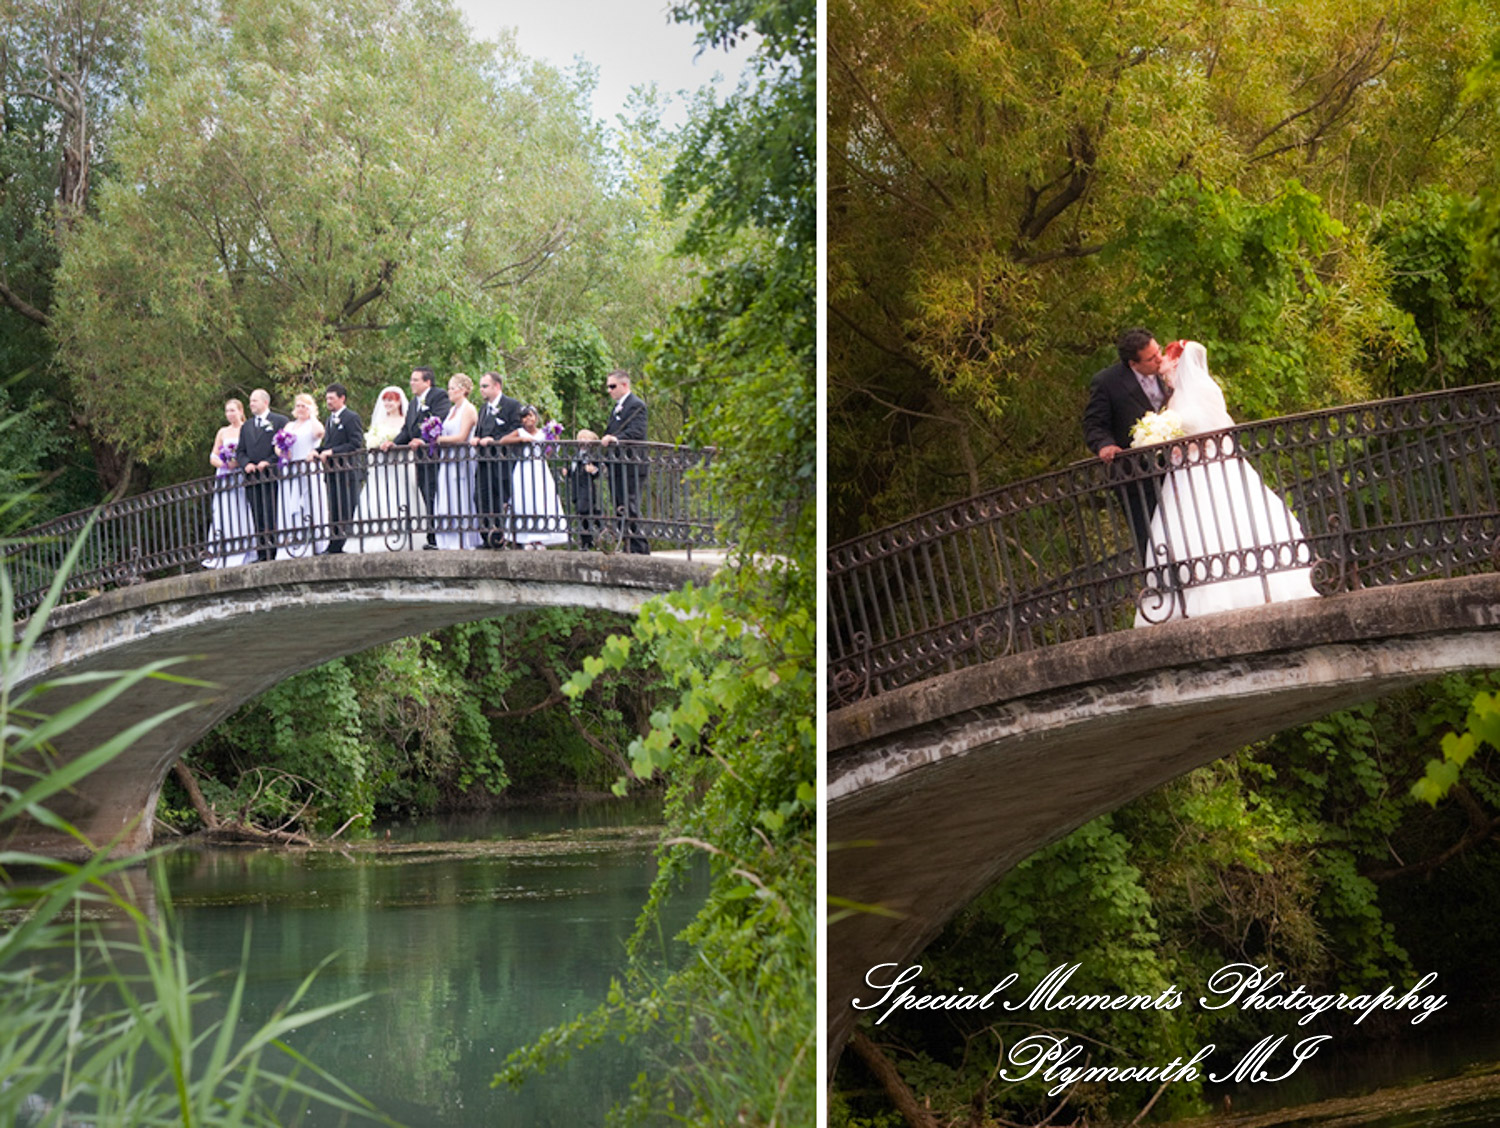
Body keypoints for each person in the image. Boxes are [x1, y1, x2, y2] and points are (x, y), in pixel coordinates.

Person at [1133, 340, 1318, 626]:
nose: (1165, 371)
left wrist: (1191, 447)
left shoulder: (1207, 390)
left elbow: (1221, 430)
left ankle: (1246, 587)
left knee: (1227, 520)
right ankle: (1188, 597)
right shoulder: (1174, 398)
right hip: (1183, 473)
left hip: (1212, 464)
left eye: (1168, 364)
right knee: (1189, 531)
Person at [1083, 328, 1171, 558]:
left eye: (1158, 350)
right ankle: (1159, 584)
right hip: (1135, 475)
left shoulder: (1169, 371)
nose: (1159, 359)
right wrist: (1104, 445)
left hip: (1173, 468)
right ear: (1133, 363)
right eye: (1151, 358)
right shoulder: (1107, 382)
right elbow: (1094, 424)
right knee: (1149, 535)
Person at [349, 384, 423, 552]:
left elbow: (405, 437)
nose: (388, 404)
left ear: (399, 402)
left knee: (401, 494)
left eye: (391, 400)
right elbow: (371, 439)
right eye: (385, 401)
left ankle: (403, 533)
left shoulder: (405, 421)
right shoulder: (380, 422)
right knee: (378, 495)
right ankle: (375, 534)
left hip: (399, 464)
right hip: (381, 466)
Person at [383, 366, 450, 548]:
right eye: (411, 380)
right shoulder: (413, 403)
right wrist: (394, 443)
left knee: (435, 493)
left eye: (415, 380)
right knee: (426, 493)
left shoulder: (439, 396)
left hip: (434, 454)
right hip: (420, 458)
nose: (411, 383)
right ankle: (431, 536)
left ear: (427, 382)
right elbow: (407, 429)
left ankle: (437, 537)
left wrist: (422, 439)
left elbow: (439, 419)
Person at [469, 371, 523, 548]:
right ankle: (487, 537)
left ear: (497, 386)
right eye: (481, 386)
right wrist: (476, 439)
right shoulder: (484, 409)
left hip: (502, 461)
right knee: (480, 497)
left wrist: (495, 440)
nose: (481, 390)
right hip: (484, 461)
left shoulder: (512, 405)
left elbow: (517, 430)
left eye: (485, 386)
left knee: (501, 498)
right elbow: (480, 430)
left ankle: (500, 537)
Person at [203, 398, 257, 568]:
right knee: (222, 510)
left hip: (239, 475)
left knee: (239, 508)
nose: (230, 414)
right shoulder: (222, 432)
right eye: (227, 411)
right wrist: (224, 464)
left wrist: (238, 462)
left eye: (233, 410)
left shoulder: (247, 428)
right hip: (224, 474)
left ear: (241, 411)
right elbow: (213, 456)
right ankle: (220, 552)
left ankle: (242, 551)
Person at [600, 369, 649, 554]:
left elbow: (637, 432)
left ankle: (640, 547)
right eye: (608, 386)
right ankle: (628, 543)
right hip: (618, 464)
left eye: (612, 386)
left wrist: (615, 439)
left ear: (624, 385)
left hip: (632, 465)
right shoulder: (617, 407)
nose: (609, 390)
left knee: (630, 505)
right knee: (620, 505)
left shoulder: (637, 405)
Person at [504, 406, 568, 548]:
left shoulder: (543, 433)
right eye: (525, 417)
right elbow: (504, 440)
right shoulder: (519, 432)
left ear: (536, 418)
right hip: (523, 467)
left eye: (531, 416)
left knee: (540, 500)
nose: (528, 419)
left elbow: (549, 452)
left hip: (539, 467)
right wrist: (520, 439)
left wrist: (554, 435)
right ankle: (526, 537)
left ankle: (540, 537)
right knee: (524, 500)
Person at [238, 388, 290, 561]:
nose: (251, 404)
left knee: (272, 511)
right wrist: (246, 464)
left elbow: (285, 447)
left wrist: (269, 461)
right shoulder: (246, 426)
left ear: (265, 402)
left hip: (271, 475)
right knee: (257, 513)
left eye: (254, 401)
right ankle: (262, 552)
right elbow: (241, 451)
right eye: (251, 401)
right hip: (252, 477)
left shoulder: (280, 421)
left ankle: (274, 550)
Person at [276, 393, 328, 559]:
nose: (300, 409)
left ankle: (314, 541)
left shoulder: (313, 424)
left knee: (309, 503)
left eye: (304, 406)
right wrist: (283, 453)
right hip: (290, 468)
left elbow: (319, 433)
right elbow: (277, 446)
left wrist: (311, 415)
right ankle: (292, 540)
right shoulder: (289, 425)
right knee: (289, 505)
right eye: (298, 406)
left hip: (308, 467)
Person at [433, 373, 481, 550]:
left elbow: (462, 436)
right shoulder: (452, 410)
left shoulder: (468, 409)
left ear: (462, 390)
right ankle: (446, 539)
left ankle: (463, 538)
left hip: (461, 457)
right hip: (448, 458)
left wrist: (438, 441)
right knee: (447, 494)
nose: (449, 392)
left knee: (460, 494)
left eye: (452, 388)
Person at [316, 382, 365, 554]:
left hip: (348, 471)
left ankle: (345, 542)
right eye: (327, 398)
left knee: (347, 507)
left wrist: (332, 451)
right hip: (333, 473)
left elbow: (355, 443)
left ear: (342, 398)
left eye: (332, 398)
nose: (328, 401)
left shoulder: (351, 417)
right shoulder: (329, 419)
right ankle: (334, 543)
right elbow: (329, 444)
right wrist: (317, 451)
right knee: (335, 508)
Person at [563, 428, 603, 550]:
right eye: (580, 438)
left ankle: (601, 523)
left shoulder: (593, 454)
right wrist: (568, 472)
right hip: (576, 489)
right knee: (582, 515)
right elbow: (574, 471)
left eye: (585, 438)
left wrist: (594, 470)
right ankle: (587, 541)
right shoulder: (576, 455)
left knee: (584, 511)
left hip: (587, 488)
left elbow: (598, 471)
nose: (582, 440)